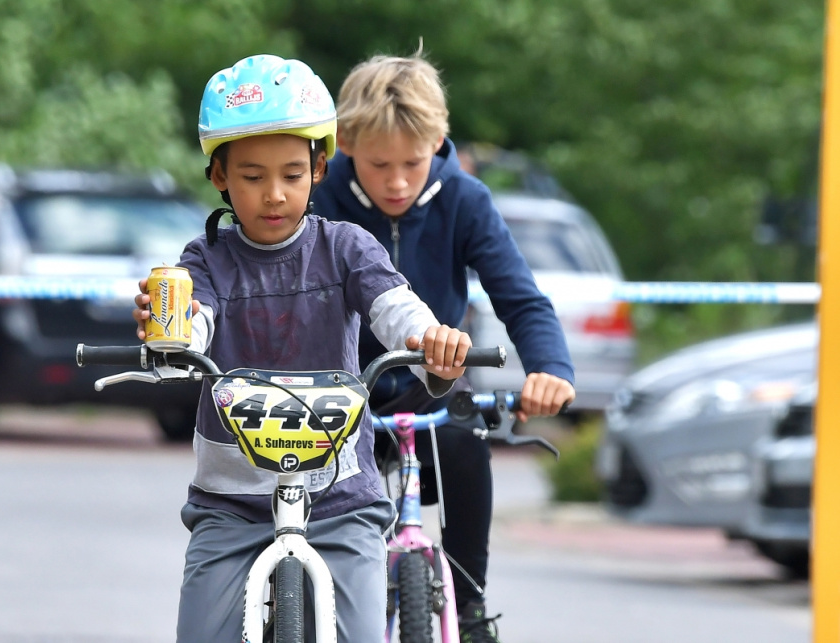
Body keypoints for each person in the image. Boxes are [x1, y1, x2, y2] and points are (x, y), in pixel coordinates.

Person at [131, 54, 475, 643]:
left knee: (361, 633)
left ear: (319, 169)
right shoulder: (204, 261)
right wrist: (171, 335)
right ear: (218, 176)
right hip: (231, 500)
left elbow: (396, 308)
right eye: (252, 177)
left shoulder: (348, 248)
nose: (273, 195)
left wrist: (429, 341)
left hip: (340, 497)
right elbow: (193, 325)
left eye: (292, 175)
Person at [311, 49, 577, 643]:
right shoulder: (318, 199)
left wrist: (550, 368)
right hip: (338, 385)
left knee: (464, 440)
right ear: (346, 143)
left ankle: (470, 605)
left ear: (438, 140)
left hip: (432, 381)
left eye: (413, 162)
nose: (398, 182)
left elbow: (521, 299)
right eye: (379, 165)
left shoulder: (464, 199)